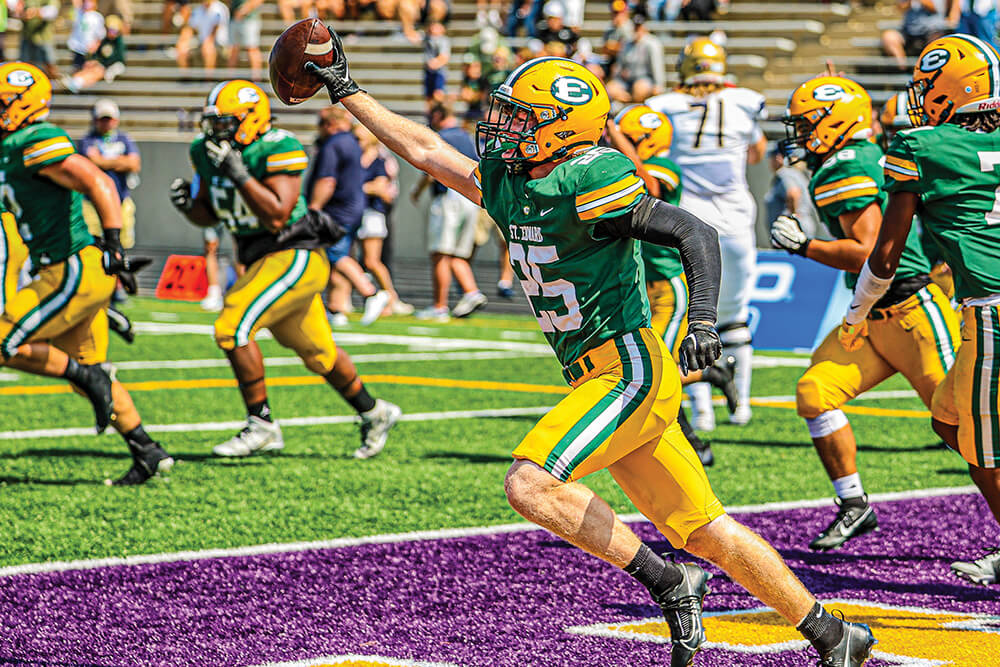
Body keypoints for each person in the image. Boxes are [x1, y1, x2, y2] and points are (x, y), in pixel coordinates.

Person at [307, 32, 877, 666]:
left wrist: (704, 324)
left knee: (530, 484)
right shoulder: (510, 179)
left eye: (525, 118)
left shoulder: (591, 175)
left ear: (564, 128)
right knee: (708, 530)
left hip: (628, 367)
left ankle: (669, 581)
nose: (505, 128)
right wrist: (346, 89)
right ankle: (834, 635)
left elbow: (694, 232)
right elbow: (425, 148)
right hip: (596, 376)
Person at [840, 34, 1000, 585]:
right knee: (948, 419)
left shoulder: (922, 147)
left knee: (985, 452)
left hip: (992, 313)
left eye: (929, 87)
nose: (920, 97)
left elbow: (886, 254)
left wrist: (857, 312)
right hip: (983, 309)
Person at [169, 80, 401, 459]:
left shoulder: (278, 147)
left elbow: (278, 215)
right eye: (214, 123)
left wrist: (239, 173)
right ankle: (374, 412)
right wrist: (188, 206)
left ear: (252, 119)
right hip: (261, 259)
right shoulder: (205, 151)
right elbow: (212, 212)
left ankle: (261, 424)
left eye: (227, 123)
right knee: (320, 353)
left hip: (293, 254)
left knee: (232, 327)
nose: (217, 131)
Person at [776, 76, 961, 551]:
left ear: (837, 121)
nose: (799, 133)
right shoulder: (855, 158)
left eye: (807, 123)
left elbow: (869, 253)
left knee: (965, 426)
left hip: (911, 312)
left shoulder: (845, 166)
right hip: (872, 320)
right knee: (815, 392)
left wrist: (805, 245)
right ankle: (855, 505)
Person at [0, 62, 170, 485]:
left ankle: (89, 376)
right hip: (66, 271)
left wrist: (114, 241)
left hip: (71, 267)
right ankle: (148, 450)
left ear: (26, 103)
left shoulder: (35, 138)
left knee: (6, 342)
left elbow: (99, 182)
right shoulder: (12, 144)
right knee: (85, 367)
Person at [647, 37, 767, 430]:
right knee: (735, 315)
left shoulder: (663, 105)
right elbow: (757, 152)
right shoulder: (745, 100)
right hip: (735, 214)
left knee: (694, 320)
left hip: (689, 217)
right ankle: (743, 405)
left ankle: (702, 413)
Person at [612, 103, 739, 468]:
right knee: (648, 366)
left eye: (629, 140)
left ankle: (693, 443)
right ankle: (713, 374)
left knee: (660, 370)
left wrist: (620, 139)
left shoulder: (664, 167)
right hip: (640, 284)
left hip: (669, 286)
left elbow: (648, 188)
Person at [308, 106, 390, 326]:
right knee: (338, 255)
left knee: (335, 255)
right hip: (354, 208)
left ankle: (371, 292)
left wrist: (314, 207)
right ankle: (336, 309)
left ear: (330, 125)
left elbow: (327, 181)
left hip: (337, 210)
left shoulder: (334, 144)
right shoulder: (353, 143)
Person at [411, 103, 487, 321]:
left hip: (449, 197)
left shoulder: (441, 137)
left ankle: (439, 306)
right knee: (457, 254)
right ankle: (472, 292)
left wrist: (416, 191)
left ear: (437, 114)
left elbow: (430, 170)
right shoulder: (466, 136)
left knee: (440, 254)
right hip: (471, 199)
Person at [78, 99, 141, 304]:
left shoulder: (124, 138)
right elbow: (93, 162)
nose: (106, 123)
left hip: (120, 200)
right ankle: (96, 285)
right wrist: (119, 163)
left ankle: (117, 286)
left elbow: (134, 163)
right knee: (95, 244)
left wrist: (105, 163)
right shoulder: (87, 140)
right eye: (102, 119)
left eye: (109, 119)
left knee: (120, 244)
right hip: (92, 202)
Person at [356, 123, 412, 315]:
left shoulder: (379, 160)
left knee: (372, 261)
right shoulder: (357, 159)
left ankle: (391, 297)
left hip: (372, 214)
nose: (356, 143)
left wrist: (353, 189)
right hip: (358, 212)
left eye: (359, 139)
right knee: (348, 259)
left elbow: (380, 188)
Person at [606, 13, 665, 104]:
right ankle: (626, 105)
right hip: (626, 80)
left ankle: (635, 106)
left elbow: (657, 66)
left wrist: (659, 85)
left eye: (639, 27)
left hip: (644, 78)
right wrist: (617, 77)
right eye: (635, 27)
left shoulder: (652, 44)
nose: (637, 30)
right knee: (610, 88)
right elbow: (619, 64)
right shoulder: (627, 43)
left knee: (639, 88)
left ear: (644, 27)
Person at [764, 144, 820, 239]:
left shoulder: (785, 173)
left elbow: (793, 193)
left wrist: (793, 218)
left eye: (771, 157)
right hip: (802, 225)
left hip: (792, 230)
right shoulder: (795, 173)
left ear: (778, 157)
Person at [63, 14, 127, 93]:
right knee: (89, 67)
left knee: (97, 70)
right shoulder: (103, 40)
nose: (112, 33)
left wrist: (101, 63)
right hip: (100, 65)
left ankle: (77, 83)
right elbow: (97, 54)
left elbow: (118, 58)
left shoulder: (118, 42)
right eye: (110, 30)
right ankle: (74, 80)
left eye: (114, 30)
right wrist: (93, 60)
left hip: (109, 67)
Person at [881, 0, 953, 69]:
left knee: (937, 41)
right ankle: (903, 68)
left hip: (932, 30)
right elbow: (900, 7)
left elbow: (936, 8)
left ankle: (928, 71)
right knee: (889, 37)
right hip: (908, 31)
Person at [175, 0, 229, 70]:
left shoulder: (220, 8)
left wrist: (207, 43)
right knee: (182, 48)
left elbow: (214, 31)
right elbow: (189, 29)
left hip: (220, 45)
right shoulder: (198, 10)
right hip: (203, 43)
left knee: (208, 48)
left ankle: (209, 79)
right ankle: (185, 78)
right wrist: (183, 41)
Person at [18, 0, 60, 78]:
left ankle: (54, 86)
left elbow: (53, 11)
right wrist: (20, 11)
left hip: (44, 37)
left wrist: (36, 12)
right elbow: (18, 9)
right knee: (25, 66)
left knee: (50, 65)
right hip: (27, 36)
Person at [227, 0, 263, 78]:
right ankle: (231, 79)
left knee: (252, 49)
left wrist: (244, 10)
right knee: (233, 50)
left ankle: (256, 80)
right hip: (234, 19)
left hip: (249, 21)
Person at [67, 0, 106, 72]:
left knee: (88, 68)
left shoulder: (97, 17)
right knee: (77, 68)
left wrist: (95, 45)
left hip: (89, 49)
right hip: (77, 48)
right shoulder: (78, 13)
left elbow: (100, 35)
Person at [423, 20, 450, 110]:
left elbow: (445, 56)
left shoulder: (443, 40)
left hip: (439, 72)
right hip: (428, 72)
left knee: (438, 94)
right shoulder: (427, 39)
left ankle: (441, 112)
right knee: (428, 97)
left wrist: (436, 63)